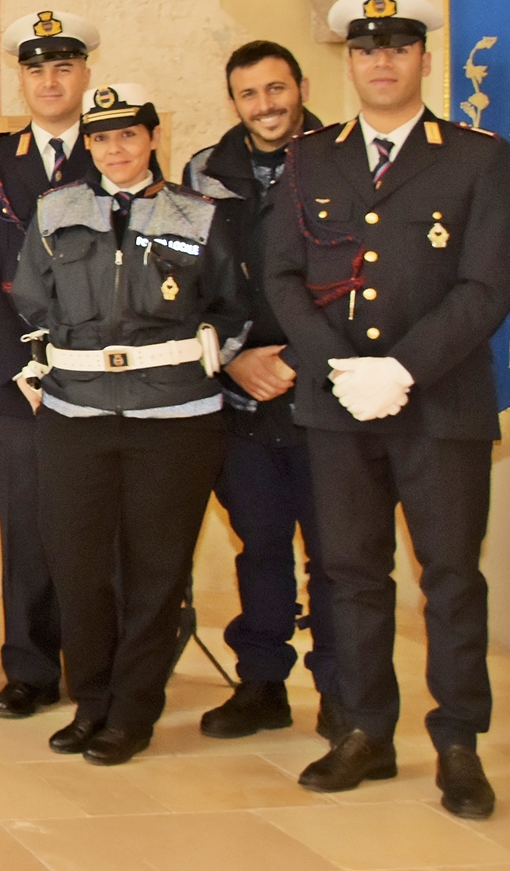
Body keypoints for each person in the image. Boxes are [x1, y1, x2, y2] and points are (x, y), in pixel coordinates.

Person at [268, 0, 510, 821]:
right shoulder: (312, 158)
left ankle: (458, 744)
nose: (383, 62)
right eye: (368, 49)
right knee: (350, 574)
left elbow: (486, 288)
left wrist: (401, 369)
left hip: (440, 405)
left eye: (399, 48)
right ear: (350, 62)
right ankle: (367, 732)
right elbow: (282, 276)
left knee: (449, 579)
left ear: (422, 59)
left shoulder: (477, 156)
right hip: (339, 407)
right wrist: (340, 367)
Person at [13, 83, 241, 767]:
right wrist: (42, 371)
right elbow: (32, 298)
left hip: (173, 416)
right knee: (79, 567)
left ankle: (133, 711)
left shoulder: (199, 214)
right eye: (102, 137)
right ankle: (91, 701)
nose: (115, 148)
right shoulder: (56, 211)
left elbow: (232, 307)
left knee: (155, 569)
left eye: (128, 135)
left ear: (151, 139)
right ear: (89, 144)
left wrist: (202, 360)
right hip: (77, 412)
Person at [181, 41, 334, 740]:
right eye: (249, 94)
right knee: (261, 544)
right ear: (233, 101)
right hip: (240, 398)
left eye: (277, 89)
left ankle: (344, 694)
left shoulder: (343, 158)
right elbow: (188, 285)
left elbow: (363, 280)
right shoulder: (205, 174)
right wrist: (236, 360)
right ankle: (262, 685)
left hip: (327, 396)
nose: (266, 105)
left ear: (300, 86)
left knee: (337, 554)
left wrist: (301, 359)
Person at [0, 7, 99, 721]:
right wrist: (19, 365)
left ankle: (97, 668)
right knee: (28, 527)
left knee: (99, 523)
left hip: (102, 370)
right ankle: (31, 668)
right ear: (21, 77)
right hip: (21, 379)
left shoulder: (112, 145)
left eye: (63, 66)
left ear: (84, 74)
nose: (50, 81)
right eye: (37, 68)